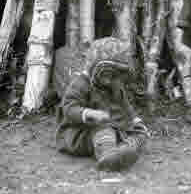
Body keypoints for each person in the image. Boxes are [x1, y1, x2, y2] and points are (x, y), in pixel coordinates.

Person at [56, 38, 149, 171]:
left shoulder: (115, 84)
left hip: (114, 127)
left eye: (116, 75)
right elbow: (69, 108)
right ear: (93, 67)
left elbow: (126, 105)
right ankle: (107, 156)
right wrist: (89, 113)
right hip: (82, 133)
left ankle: (128, 148)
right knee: (103, 130)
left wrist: (136, 121)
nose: (110, 80)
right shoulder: (81, 84)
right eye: (106, 75)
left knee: (139, 133)